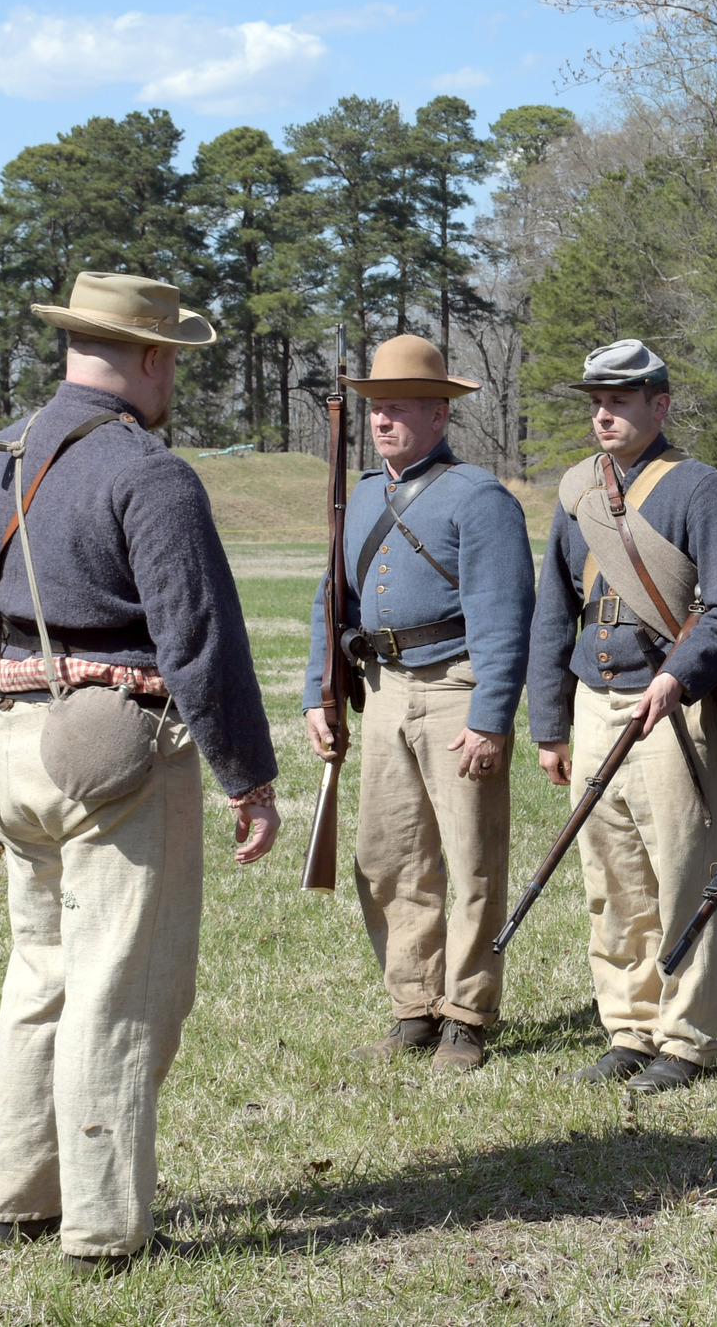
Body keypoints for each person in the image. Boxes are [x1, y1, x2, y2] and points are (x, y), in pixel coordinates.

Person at [0, 271, 281, 1275]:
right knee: (119, 988)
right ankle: (101, 1226)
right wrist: (246, 776)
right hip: (119, 748)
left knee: (39, 970)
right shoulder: (150, 471)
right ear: (144, 356)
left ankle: (16, 1197)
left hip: (10, 743)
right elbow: (198, 639)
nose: (173, 373)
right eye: (170, 354)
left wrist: (9, 731)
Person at [303, 335, 535, 1072]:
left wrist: (491, 715)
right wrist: (320, 690)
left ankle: (467, 1012)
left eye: (400, 406)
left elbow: (504, 616)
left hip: (455, 686)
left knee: (470, 859)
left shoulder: (480, 498)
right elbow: (329, 597)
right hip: (380, 687)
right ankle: (413, 1004)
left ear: (440, 413)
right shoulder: (363, 494)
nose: (382, 420)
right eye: (377, 406)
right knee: (389, 856)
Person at [527, 340, 717, 1093]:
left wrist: (679, 679)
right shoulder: (577, 492)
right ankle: (628, 1025)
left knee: (682, 873)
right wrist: (549, 724)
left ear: (660, 404)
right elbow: (553, 611)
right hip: (595, 701)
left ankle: (685, 1038)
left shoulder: (703, 490)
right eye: (597, 400)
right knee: (611, 874)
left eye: (620, 400)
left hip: (669, 706)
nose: (604, 413)